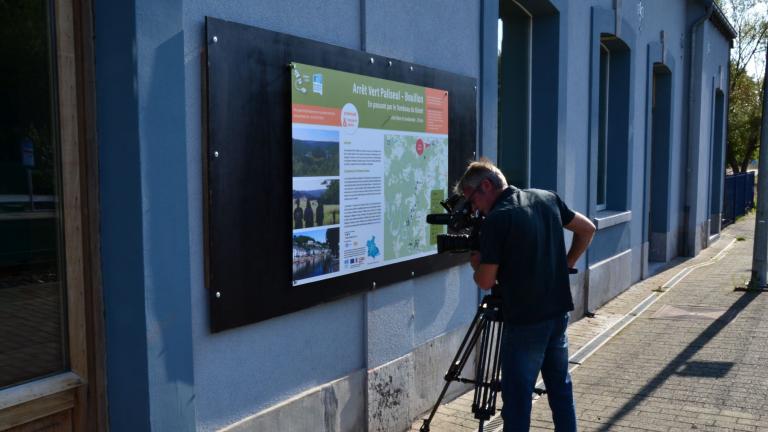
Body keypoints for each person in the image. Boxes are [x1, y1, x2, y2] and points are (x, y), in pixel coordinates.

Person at [456, 159, 595, 432]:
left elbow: (485, 281)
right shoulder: (547, 198)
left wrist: (476, 260)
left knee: (518, 401)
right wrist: (567, 263)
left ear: (486, 186)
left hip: (524, 321)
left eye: (471, 200)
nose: (473, 208)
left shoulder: (498, 218)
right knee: (560, 389)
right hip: (557, 314)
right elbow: (587, 229)